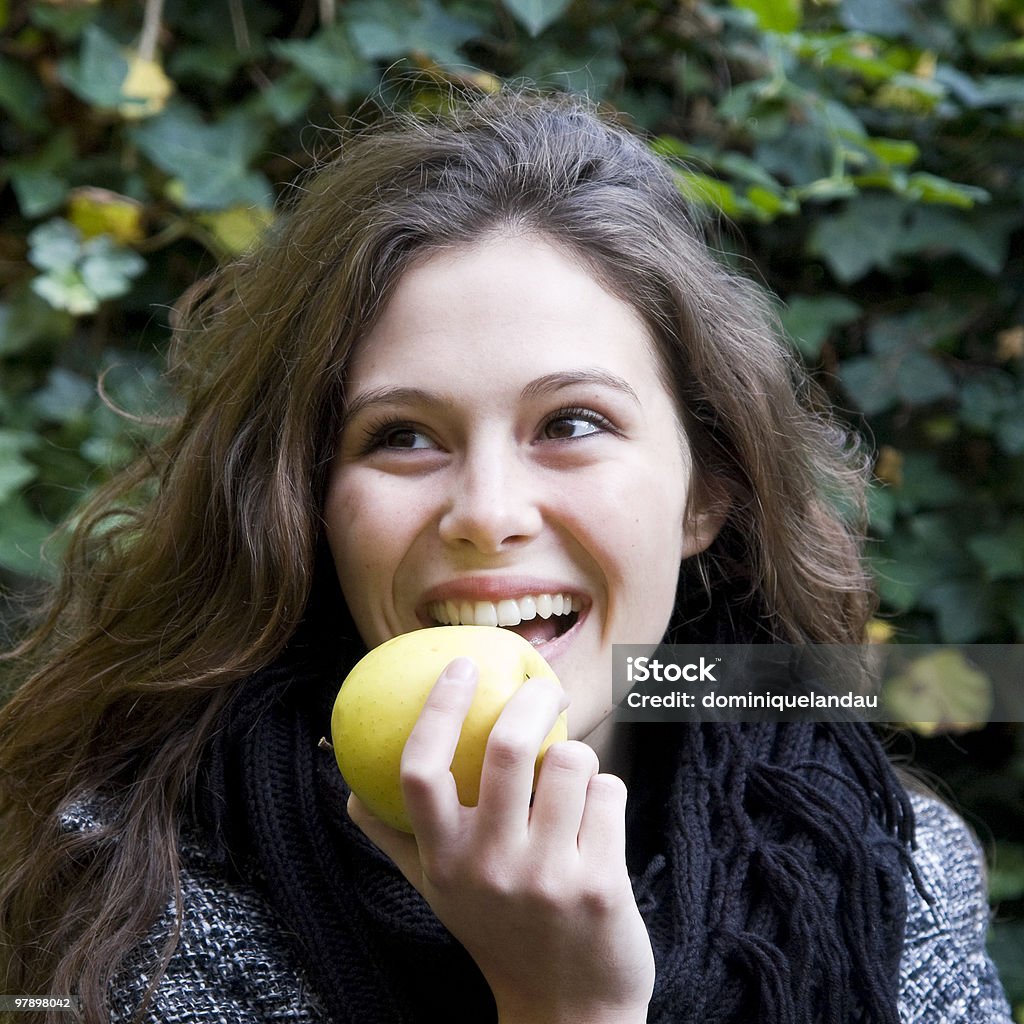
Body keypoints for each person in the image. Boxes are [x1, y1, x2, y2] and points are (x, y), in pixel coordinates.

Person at [0, 89, 1012, 1024]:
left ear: (708, 489)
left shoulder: (898, 871)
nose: (486, 513)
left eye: (570, 421)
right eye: (401, 435)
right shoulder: (133, 894)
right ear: (308, 505)